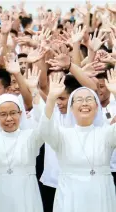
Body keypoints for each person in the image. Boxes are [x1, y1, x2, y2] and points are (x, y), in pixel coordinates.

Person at [40, 73, 116, 212]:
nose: (85, 103)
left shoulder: (106, 133)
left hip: (100, 195)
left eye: (89, 99)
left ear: (97, 106)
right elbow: (45, 130)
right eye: (79, 100)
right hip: (70, 196)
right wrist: (51, 98)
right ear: (71, 107)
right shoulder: (62, 134)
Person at [0, 68, 43, 212]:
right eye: (3, 114)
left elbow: (45, 122)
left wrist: (34, 90)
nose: (9, 118)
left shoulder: (31, 136)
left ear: (20, 114)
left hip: (25, 196)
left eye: (13, 113)